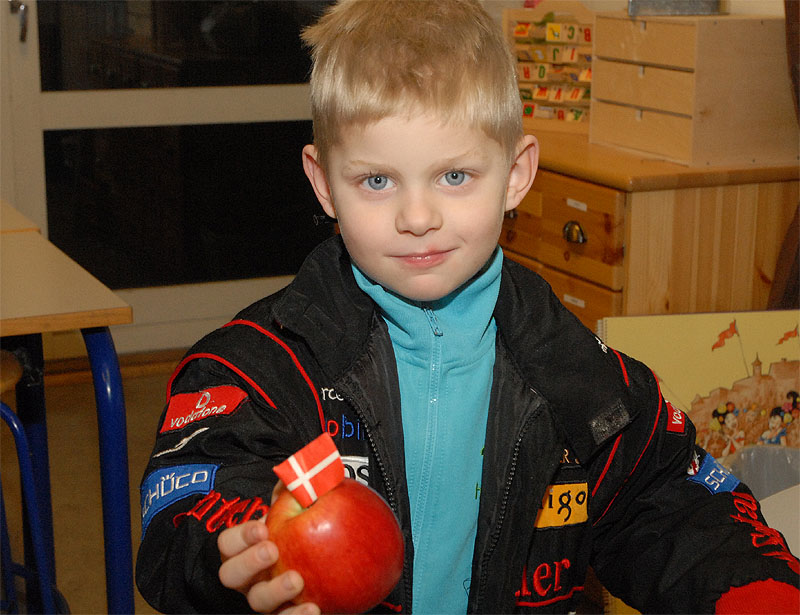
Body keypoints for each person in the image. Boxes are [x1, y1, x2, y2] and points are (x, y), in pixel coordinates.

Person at [135, 1, 800, 613]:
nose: (418, 216)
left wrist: (756, 589)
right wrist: (242, 549)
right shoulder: (258, 368)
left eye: (454, 176)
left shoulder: (580, 373)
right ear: (324, 183)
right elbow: (190, 500)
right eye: (376, 180)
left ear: (516, 174)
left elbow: (671, 503)